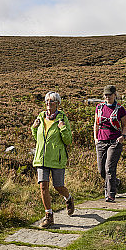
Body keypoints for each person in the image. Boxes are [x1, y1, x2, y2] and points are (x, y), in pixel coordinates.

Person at [31, 91, 74, 228]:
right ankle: (49, 216)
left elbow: (68, 140)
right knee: (43, 186)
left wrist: (62, 128)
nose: (49, 103)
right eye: (47, 101)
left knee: (58, 186)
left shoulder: (62, 119)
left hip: (57, 159)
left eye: (52, 101)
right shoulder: (41, 117)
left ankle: (68, 198)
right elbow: (38, 138)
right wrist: (33, 128)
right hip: (42, 159)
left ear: (58, 104)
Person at [94, 85, 126, 202]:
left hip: (115, 141)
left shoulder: (120, 109)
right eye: (106, 95)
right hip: (101, 141)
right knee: (101, 170)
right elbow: (96, 124)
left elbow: (124, 125)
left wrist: (122, 136)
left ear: (115, 95)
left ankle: (111, 194)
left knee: (109, 168)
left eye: (110, 94)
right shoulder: (99, 108)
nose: (108, 97)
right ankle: (115, 181)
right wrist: (95, 138)